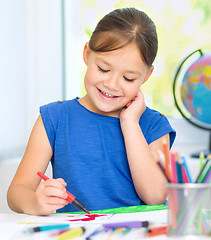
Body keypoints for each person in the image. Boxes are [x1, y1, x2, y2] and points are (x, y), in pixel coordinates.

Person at [7, 7, 176, 216]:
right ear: (87, 54)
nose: (112, 84)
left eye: (128, 78)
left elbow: (155, 196)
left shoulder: (154, 126)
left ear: (146, 76)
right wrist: (36, 201)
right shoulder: (54, 119)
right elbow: (16, 192)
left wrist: (130, 123)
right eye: (103, 69)